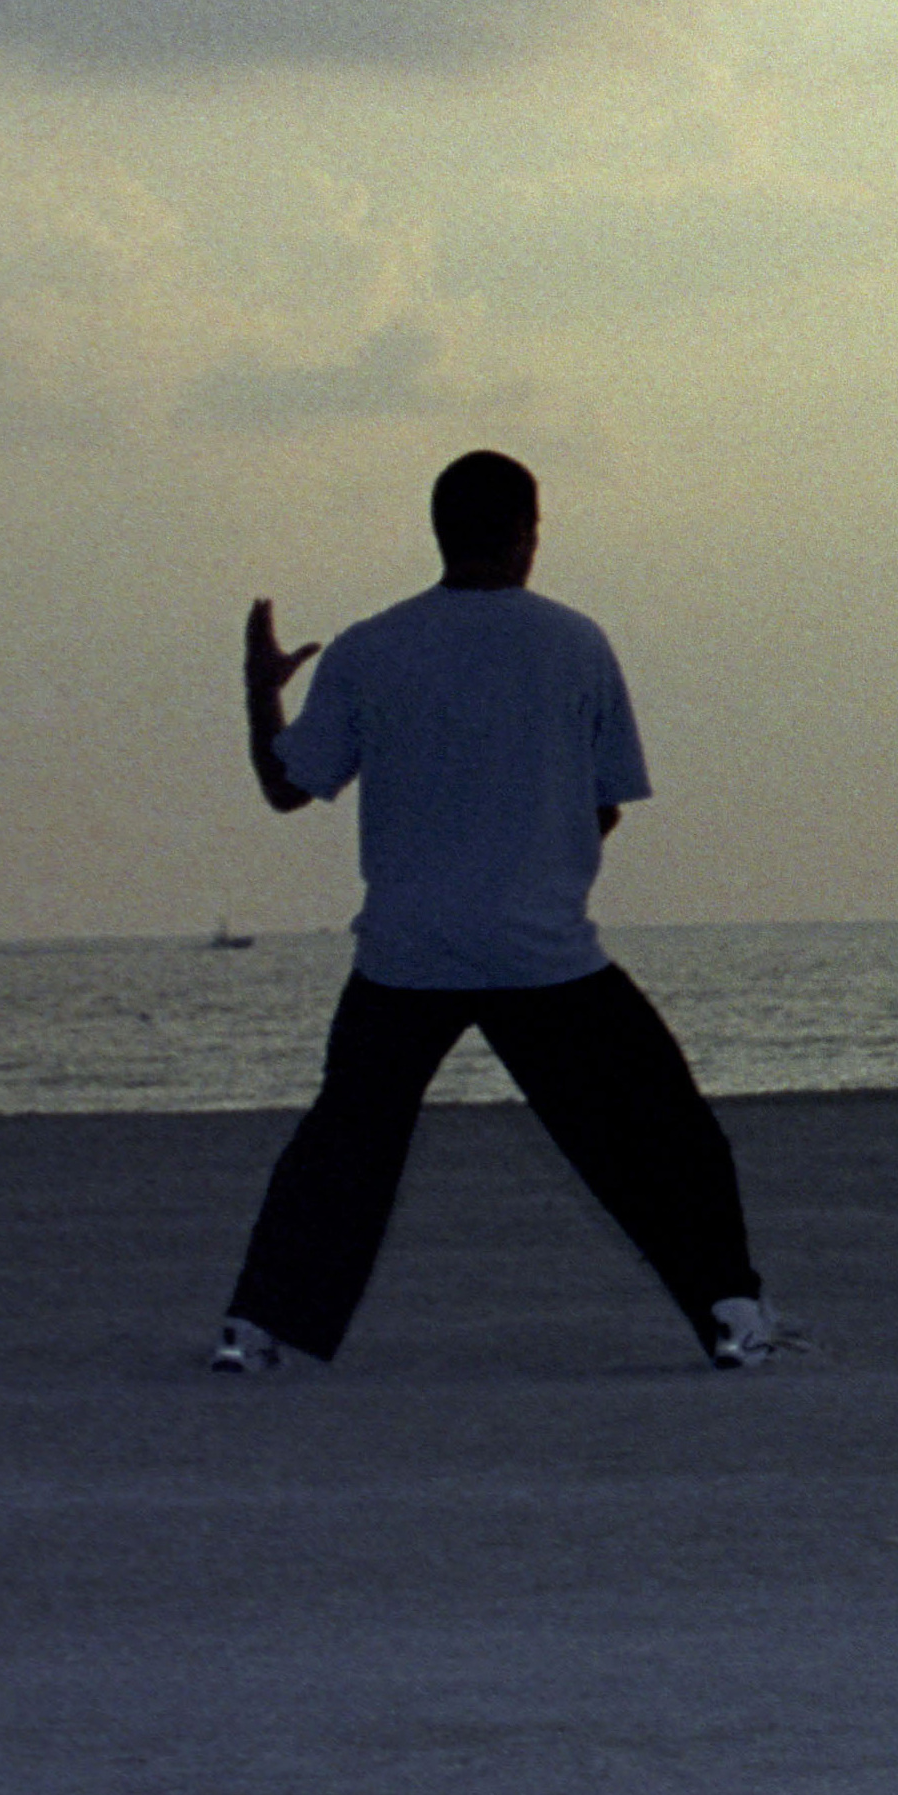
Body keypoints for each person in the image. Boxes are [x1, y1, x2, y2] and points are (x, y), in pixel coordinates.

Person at [215, 451, 774, 1373]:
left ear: (441, 531)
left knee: (345, 1145)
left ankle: (256, 1329)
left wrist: (259, 686)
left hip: (406, 952)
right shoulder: (576, 643)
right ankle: (732, 1313)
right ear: (526, 531)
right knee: (665, 1130)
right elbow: (605, 801)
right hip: (542, 951)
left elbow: (287, 785)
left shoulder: (371, 645)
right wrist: (543, 866)